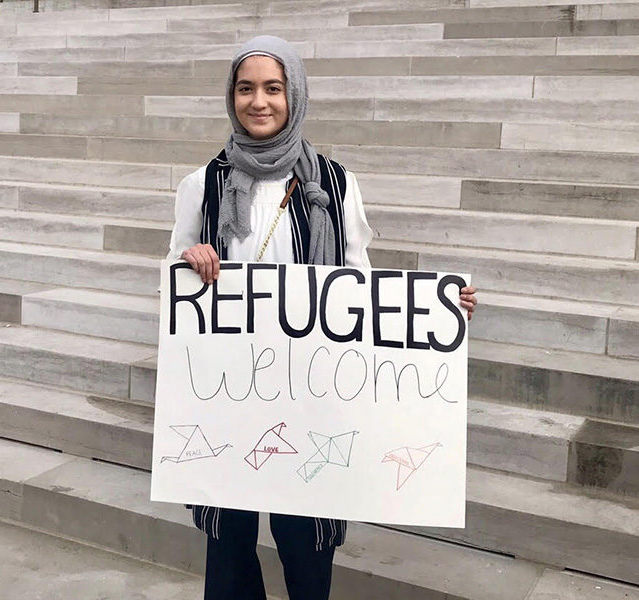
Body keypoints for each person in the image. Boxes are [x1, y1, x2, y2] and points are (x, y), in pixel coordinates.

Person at [166, 35, 478, 600]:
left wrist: (438, 314)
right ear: (230, 96)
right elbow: (175, 284)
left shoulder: (335, 184)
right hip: (229, 397)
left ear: (296, 95)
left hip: (312, 398)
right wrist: (187, 261)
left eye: (274, 88)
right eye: (245, 88)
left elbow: (360, 285)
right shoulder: (201, 185)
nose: (259, 102)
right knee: (229, 550)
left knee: (307, 555)